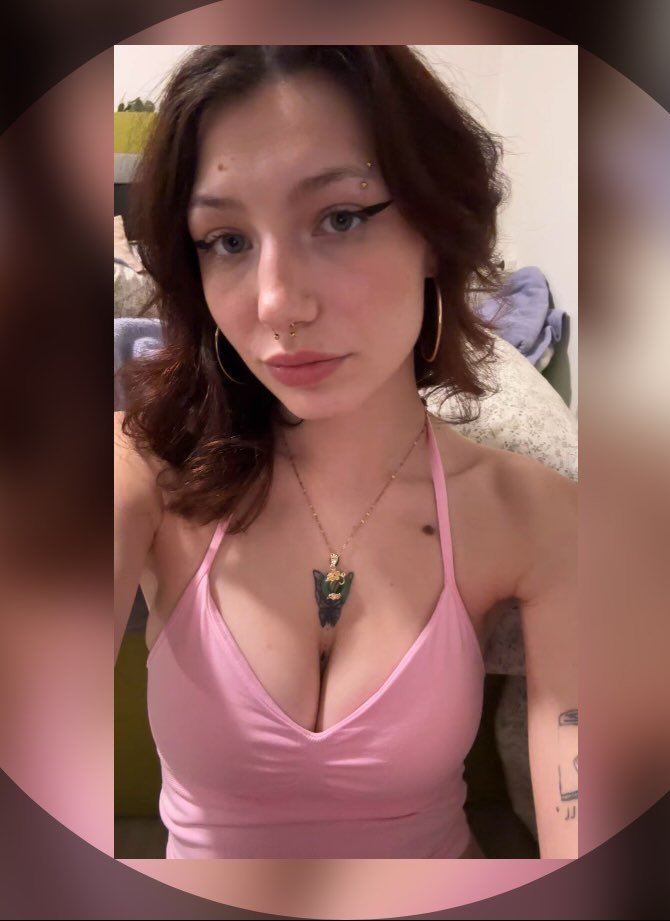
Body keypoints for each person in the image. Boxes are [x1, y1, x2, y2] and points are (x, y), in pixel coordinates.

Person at [114, 45, 577, 859]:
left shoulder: (527, 511)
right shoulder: (146, 473)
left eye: (339, 218)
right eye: (227, 239)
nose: (277, 304)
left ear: (434, 229)